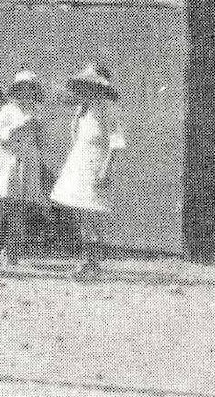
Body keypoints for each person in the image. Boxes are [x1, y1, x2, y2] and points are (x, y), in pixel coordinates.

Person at [50, 63, 126, 279]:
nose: (86, 90)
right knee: (80, 212)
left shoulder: (107, 107)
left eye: (91, 86)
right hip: (79, 161)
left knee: (91, 213)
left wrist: (106, 169)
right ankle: (87, 261)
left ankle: (93, 263)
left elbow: (116, 140)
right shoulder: (82, 108)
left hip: (96, 162)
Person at [0, 70, 47, 266]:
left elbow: (42, 142)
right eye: (23, 88)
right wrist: (19, 127)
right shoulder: (7, 110)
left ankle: (12, 252)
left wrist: (38, 131)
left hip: (27, 163)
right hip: (8, 163)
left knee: (20, 209)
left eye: (31, 88)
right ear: (17, 90)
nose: (27, 92)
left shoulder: (36, 111)